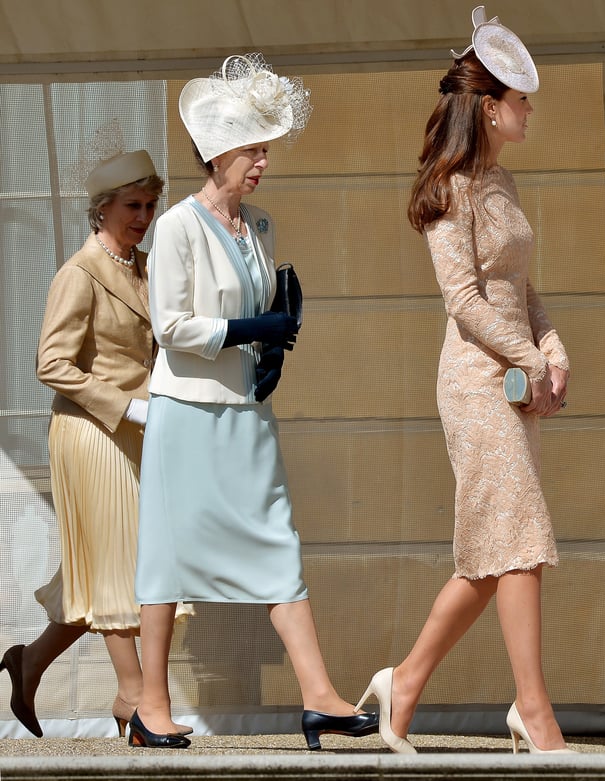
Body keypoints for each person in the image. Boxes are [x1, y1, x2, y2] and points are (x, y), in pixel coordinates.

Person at [130, 53, 378, 750]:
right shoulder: (178, 225)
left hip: (246, 412)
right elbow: (171, 325)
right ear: (217, 152)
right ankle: (150, 705)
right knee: (166, 556)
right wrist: (245, 330)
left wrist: (272, 344)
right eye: (252, 150)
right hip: (187, 413)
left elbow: (266, 308)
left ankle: (320, 695)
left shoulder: (259, 225)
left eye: (266, 149)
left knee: (279, 542)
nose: (262, 162)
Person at [355, 6, 573, 756]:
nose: (530, 109)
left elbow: (518, 285)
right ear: (491, 107)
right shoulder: (450, 187)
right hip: (476, 381)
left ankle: (403, 683)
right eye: (521, 99)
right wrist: (530, 358)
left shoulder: (501, 180)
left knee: (495, 550)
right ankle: (534, 709)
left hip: (513, 370)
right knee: (518, 541)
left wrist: (551, 343)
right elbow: (465, 300)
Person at [1, 148, 193, 740]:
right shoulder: (79, 272)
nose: (143, 215)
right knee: (118, 568)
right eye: (132, 206)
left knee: (111, 569)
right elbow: (51, 363)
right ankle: (132, 699)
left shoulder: (142, 267)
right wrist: (128, 404)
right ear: (101, 209)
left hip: (139, 433)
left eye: (149, 205)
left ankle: (29, 661)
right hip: (91, 433)